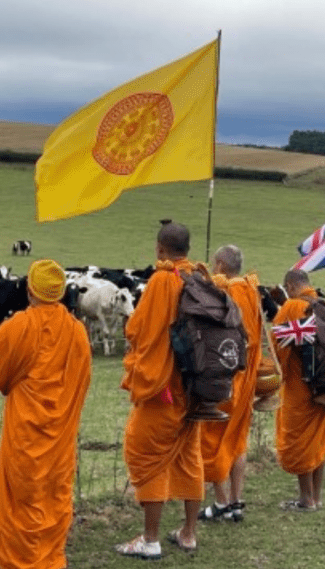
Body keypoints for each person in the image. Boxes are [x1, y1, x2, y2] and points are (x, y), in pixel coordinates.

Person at [0, 259, 92, 569]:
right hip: (60, 436)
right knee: (54, 497)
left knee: (21, 499)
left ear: (30, 290)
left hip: (24, 435)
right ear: (59, 293)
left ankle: (18, 561)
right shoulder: (77, 332)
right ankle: (48, 560)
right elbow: (82, 381)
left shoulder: (18, 326)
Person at [116, 222, 203, 559]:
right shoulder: (200, 277)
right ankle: (189, 533)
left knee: (145, 456)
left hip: (163, 388)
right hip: (196, 390)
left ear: (160, 249)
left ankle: (150, 539)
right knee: (188, 457)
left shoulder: (163, 280)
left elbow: (140, 329)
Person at [197, 245, 262, 523]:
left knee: (213, 438)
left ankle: (221, 502)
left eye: (214, 264)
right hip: (248, 376)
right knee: (237, 440)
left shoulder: (228, 292)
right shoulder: (250, 289)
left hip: (227, 374)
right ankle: (237, 501)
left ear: (221, 265)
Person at [272, 269, 325, 510]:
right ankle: (317, 496)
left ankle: (306, 498)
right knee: (318, 441)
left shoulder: (292, 306)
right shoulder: (324, 305)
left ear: (291, 286)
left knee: (302, 442)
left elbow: (277, 348)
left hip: (300, 386)